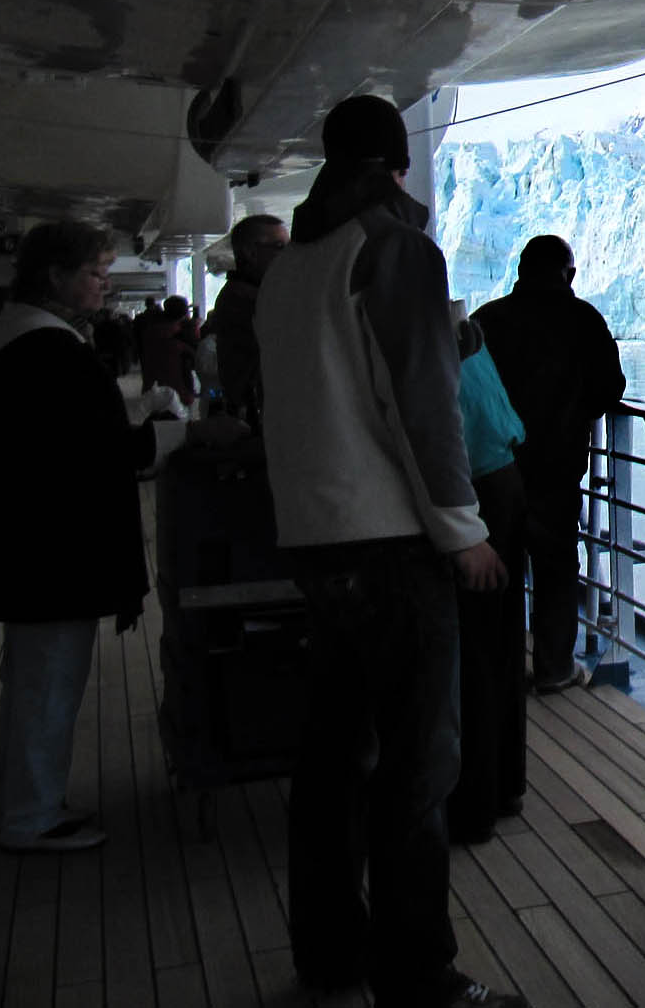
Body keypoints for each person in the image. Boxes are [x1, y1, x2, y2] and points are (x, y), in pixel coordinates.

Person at [255, 94, 523, 1008]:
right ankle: (423, 978)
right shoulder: (392, 246)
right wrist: (466, 532)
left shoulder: (294, 264)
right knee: (419, 769)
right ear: (395, 165)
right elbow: (419, 403)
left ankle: (330, 955)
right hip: (391, 547)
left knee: (331, 760)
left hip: (315, 540)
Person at [0, 222, 242, 852]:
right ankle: (30, 817)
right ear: (55, 275)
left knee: (33, 679)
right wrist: (183, 434)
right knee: (47, 681)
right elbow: (99, 451)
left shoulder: (18, 337)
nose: (105, 282)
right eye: (95, 271)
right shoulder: (47, 350)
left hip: (31, 541)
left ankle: (23, 800)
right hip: (52, 549)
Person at [471, 235, 624, 693]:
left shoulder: (487, 320)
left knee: (499, 566)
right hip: (556, 469)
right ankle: (554, 666)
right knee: (556, 570)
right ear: (567, 274)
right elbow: (609, 386)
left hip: (494, 469)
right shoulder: (582, 320)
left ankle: (496, 667)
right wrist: (573, 412)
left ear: (521, 269)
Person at [445, 303, 530, 846]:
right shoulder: (464, 338)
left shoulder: (430, 346)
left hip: (474, 495)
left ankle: (471, 802)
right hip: (503, 484)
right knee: (497, 648)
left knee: (471, 654)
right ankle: (502, 787)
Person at [203, 213, 289, 426]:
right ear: (250, 252)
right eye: (280, 246)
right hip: (256, 416)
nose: (289, 254)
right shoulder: (243, 300)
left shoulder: (248, 294)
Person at [139, 294, 196, 405]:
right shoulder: (180, 334)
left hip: (154, 387)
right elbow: (194, 358)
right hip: (179, 391)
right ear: (184, 314)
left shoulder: (151, 331)